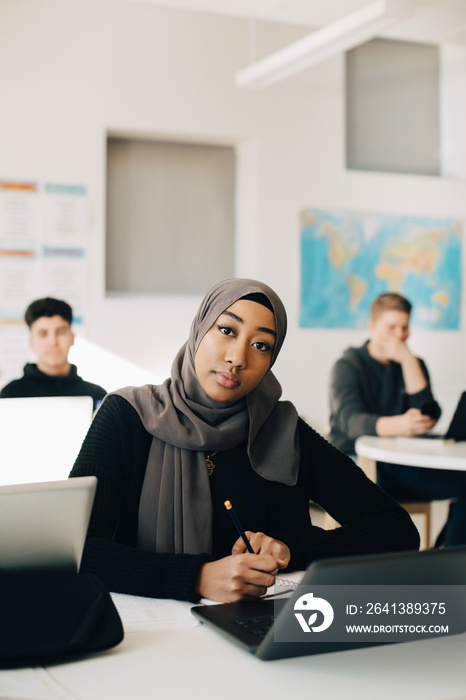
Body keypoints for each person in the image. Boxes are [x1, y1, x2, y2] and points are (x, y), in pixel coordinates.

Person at [70, 279, 419, 603]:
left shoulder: (285, 429)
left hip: (262, 630)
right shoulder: (127, 415)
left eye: (260, 345)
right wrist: (196, 578)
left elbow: (397, 530)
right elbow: (73, 548)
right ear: (199, 330)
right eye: (226, 330)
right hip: (150, 635)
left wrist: (291, 549)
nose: (237, 358)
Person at [328, 292, 466, 546]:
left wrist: (407, 360)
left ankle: (448, 560)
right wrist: (401, 424)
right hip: (359, 462)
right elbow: (351, 422)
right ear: (372, 327)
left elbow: (428, 412)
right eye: (391, 327)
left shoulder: (413, 363)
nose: (400, 335)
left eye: (405, 327)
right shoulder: (348, 365)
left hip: (402, 463)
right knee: (372, 499)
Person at [0, 297, 106, 409]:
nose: (53, 342)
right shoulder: (11, 395)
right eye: (43, 334)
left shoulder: (97, 396)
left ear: (72, 338)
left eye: (60, 332)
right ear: (32, 343)